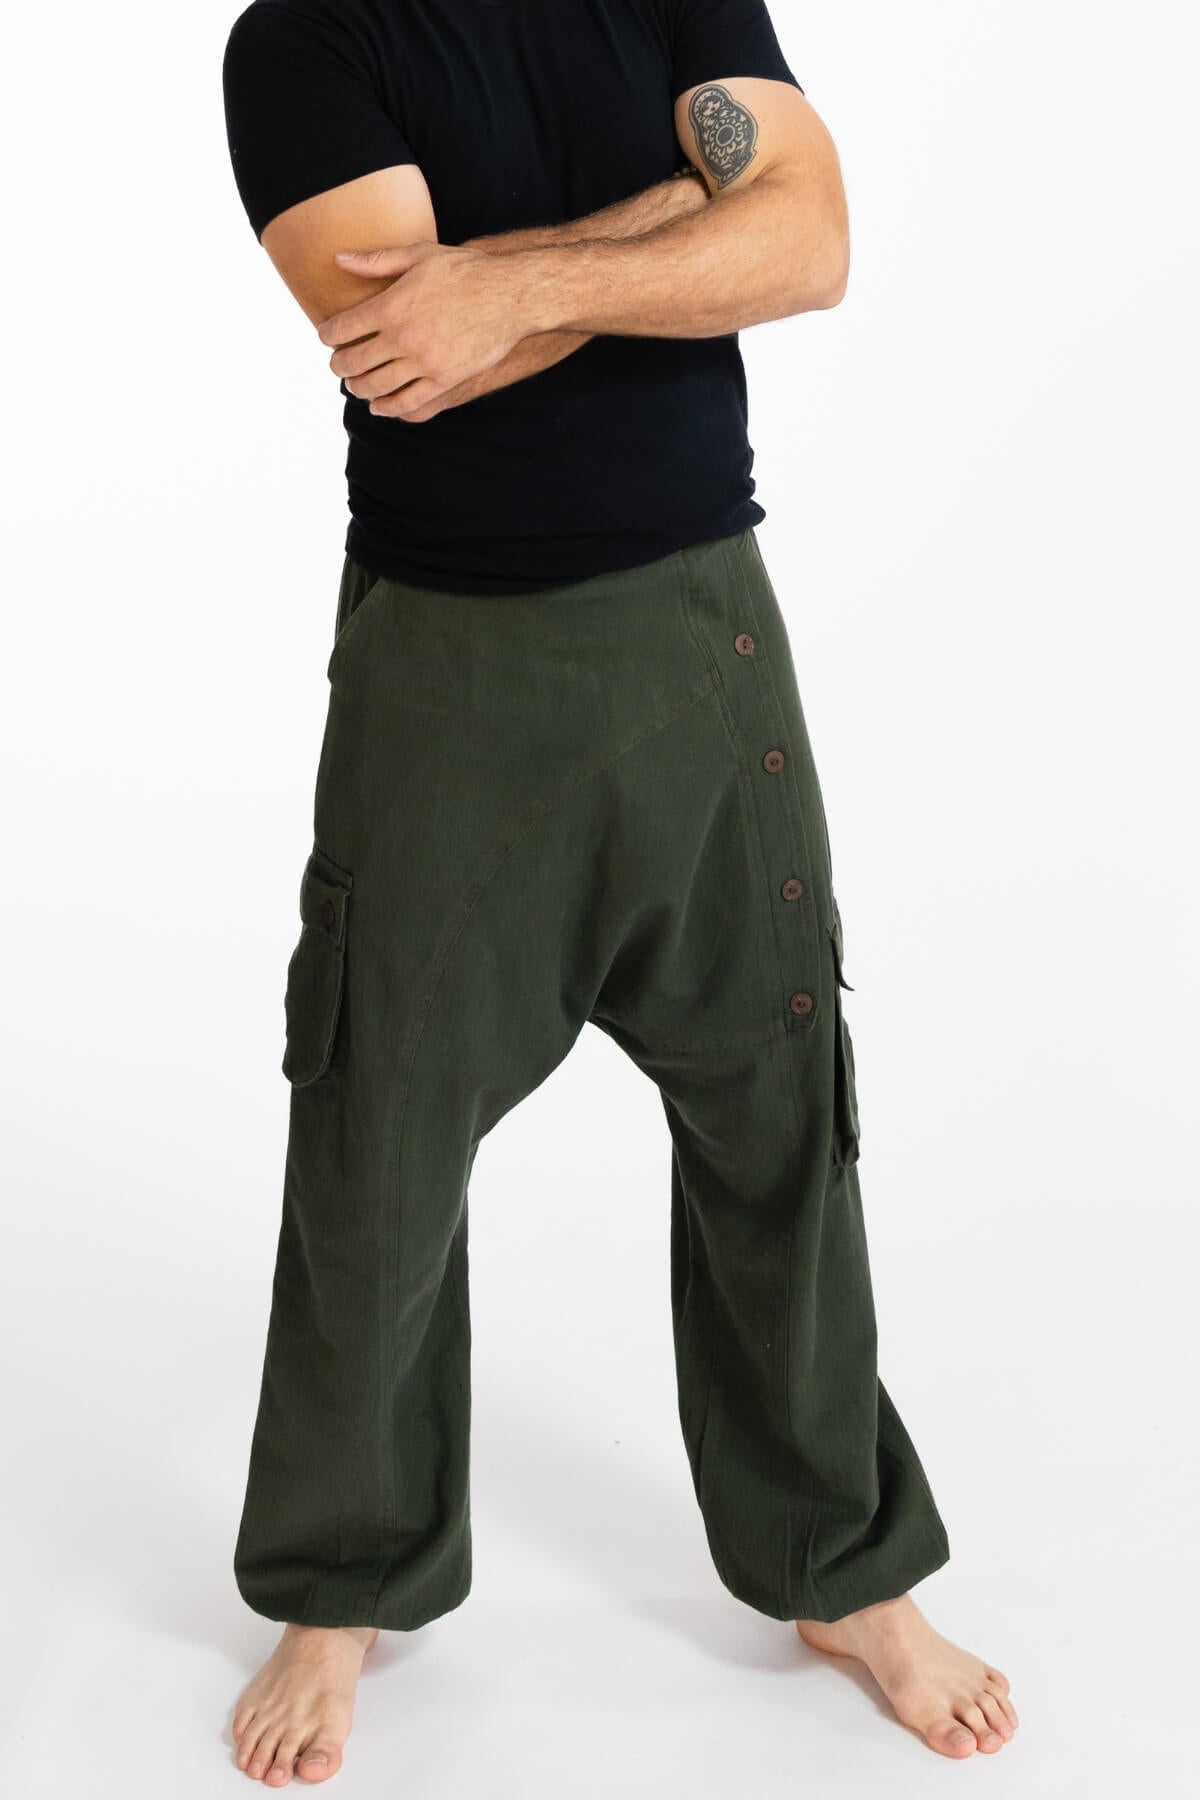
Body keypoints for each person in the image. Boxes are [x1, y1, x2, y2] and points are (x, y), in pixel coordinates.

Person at [220, 0, 1018, 1783]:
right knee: (376, 1133)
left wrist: (511, 278)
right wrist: (680, 223)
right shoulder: (301, 45)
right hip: (448, 658)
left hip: (700, 620)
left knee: (779, 1112)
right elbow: (418, 354)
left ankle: (842, 1570)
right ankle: (341, 1587)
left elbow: (808, 250)